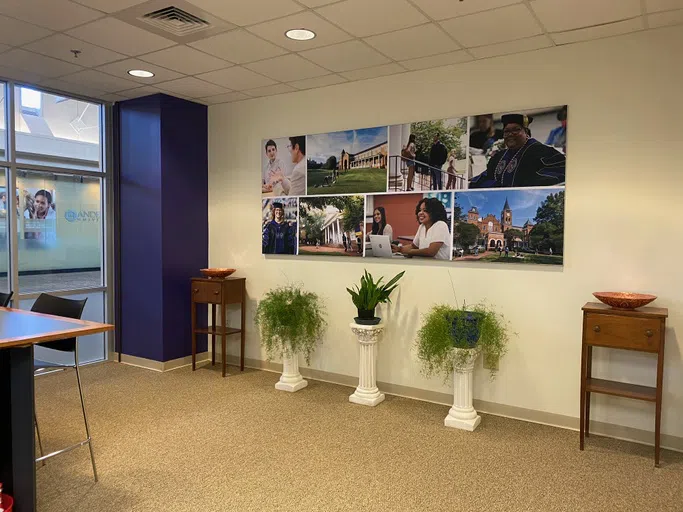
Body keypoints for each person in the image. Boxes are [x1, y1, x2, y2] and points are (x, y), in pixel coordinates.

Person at [470, 114, 565, 188]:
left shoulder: (541, 151)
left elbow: (560, 171)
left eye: (516, 130)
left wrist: (522, 186)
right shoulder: (499, 156)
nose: (510, 134)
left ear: (526, 133)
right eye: (506, 131)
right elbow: (486, 176)